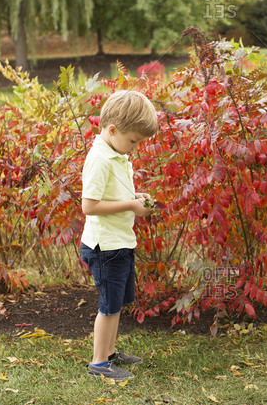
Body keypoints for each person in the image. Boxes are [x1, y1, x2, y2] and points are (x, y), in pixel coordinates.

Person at [80, 90, 158, 381]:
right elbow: (89, 205)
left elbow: (110, 194)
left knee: (117, 305)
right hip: (105, 247)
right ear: (112, 130)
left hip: (120, 242)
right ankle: (99, 364)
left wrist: (135, 197)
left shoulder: (116, 152)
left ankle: (110, 353)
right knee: (108, 307)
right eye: (133, 141)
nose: (134, 148)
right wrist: (131, 206)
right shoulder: (100, 159)